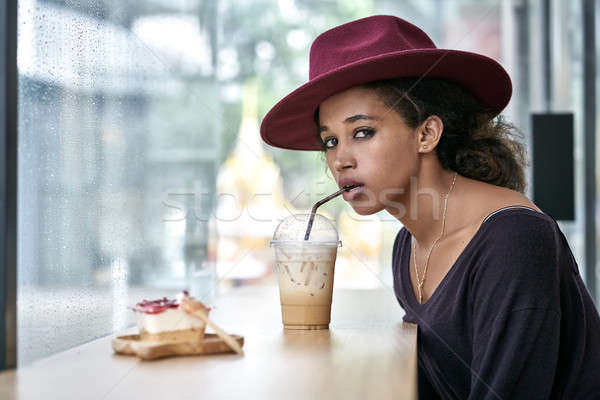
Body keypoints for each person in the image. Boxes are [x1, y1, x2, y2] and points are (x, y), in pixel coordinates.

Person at [260, 14, 600, 399]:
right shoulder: (408, 246)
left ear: (426, 133)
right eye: (330, 142)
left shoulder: (514, 239)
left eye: (362, 132)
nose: (340, 160)